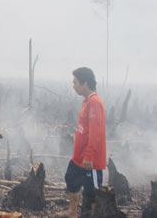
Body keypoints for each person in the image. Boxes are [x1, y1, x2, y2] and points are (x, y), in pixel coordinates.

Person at [57, 67, 106, 218]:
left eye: (75, 82)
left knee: (92, 192)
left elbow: (96, 133)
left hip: (90, 160)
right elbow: (86, 128)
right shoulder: (87, 101)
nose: (73, 86)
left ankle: (93, 215)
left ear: (85, 83)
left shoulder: (95, 103)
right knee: (70, 178)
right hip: (79, 157)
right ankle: (72, 212)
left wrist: (89, 156)